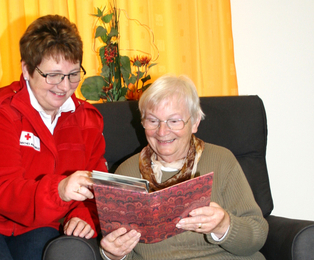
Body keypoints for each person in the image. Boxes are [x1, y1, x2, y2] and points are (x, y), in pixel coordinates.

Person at [0, 15, 106, 260]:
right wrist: (60, 190)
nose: (65, 86)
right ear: (27, 69)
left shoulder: (87, 119)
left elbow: (98, 185)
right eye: (53, 75)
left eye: (73, 74)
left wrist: (83, 215)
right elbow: (1, 191)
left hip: (38, 224)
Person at [99, 75, 268, 260]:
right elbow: (124, 250)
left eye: (174, 121)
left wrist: (223, 225)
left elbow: (257, 235)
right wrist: (113, 253)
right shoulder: (127, 173)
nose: (162, 132)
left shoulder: (222, 160)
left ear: (194, 122)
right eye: (153, 121)